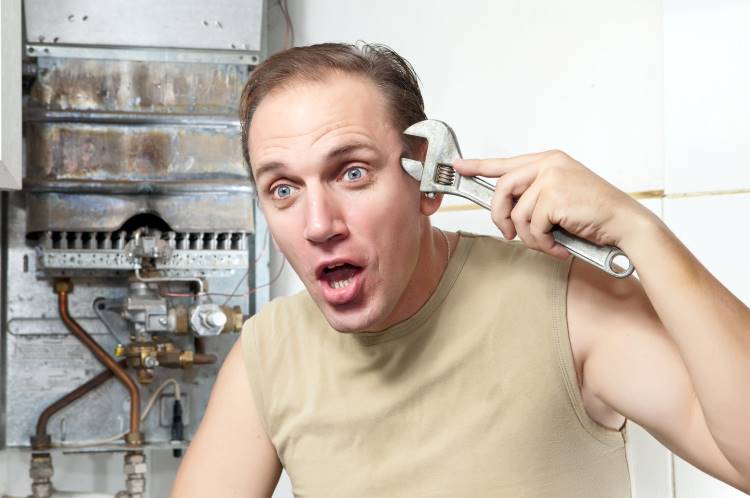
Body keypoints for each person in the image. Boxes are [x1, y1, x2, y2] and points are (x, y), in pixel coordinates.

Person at [171, 43, 750, 498]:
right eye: (283, 188)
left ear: (426, 180)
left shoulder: (568, 306)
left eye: (352, 173)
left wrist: (641, 233)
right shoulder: (270, 354)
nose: (319, 224)